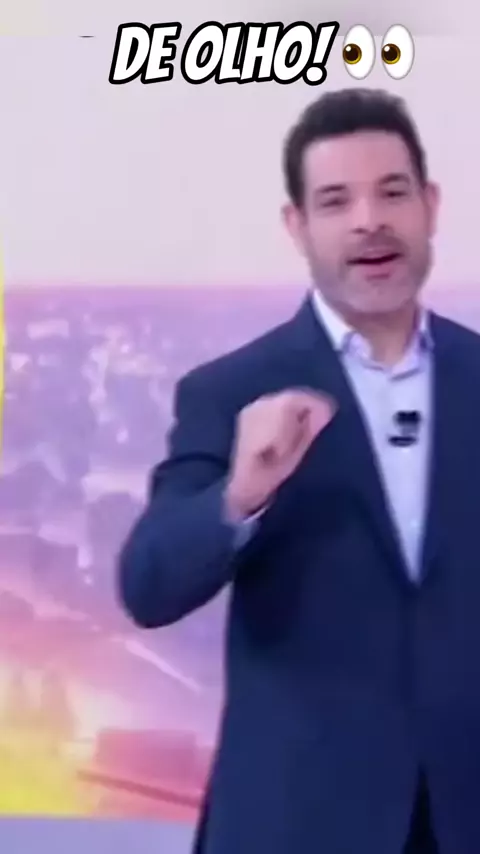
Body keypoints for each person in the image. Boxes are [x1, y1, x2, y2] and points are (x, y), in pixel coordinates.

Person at [117, 88, 480, 854]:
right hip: (297, 826)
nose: (369, 221)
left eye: (392, 193)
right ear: (298, 226)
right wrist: (240, 495)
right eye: (336, 201)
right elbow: (148, 585)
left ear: (430, 206)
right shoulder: (230, 390)